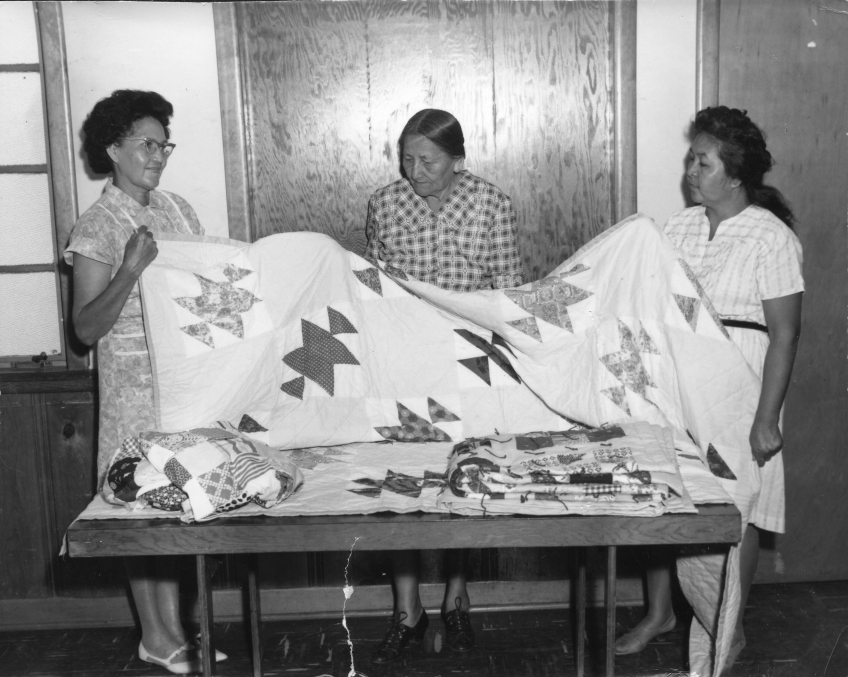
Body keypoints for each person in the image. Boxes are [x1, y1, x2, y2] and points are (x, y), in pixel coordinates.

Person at [615, 106, 803, 670]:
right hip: (678, 377)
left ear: (735, 172)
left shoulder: (771, 238)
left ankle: (729, 625)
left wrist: (766, 419)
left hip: (741, 385)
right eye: (691, 157)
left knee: (735, 508)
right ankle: (659, 613)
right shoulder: (677, 227)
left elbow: (786, 335)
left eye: (703, 160)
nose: (690, 169)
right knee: (664, 496)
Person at [65, 90, 218, 675]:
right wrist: (130, 269)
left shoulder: (178, 210)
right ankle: (156, 636)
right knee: (140, 507)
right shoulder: (98, 224)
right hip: (133, 386)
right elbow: (84, 328)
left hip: (183, 377)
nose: (158, 155)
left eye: (163, 144)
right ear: (113, 149)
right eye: (145, 144)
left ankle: (182, 632)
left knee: (184, 501)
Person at [364, 108, 524, 663]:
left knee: (463, 475)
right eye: (406, 158)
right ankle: (407, 611)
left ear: (457, 160)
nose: (414, 170)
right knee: (404, 480)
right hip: (404, 361)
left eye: (427, 160)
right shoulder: (385, 203)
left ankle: (458, 599)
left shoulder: (491, 204)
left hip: (469, 362)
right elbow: (373, 286)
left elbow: (507, 289)